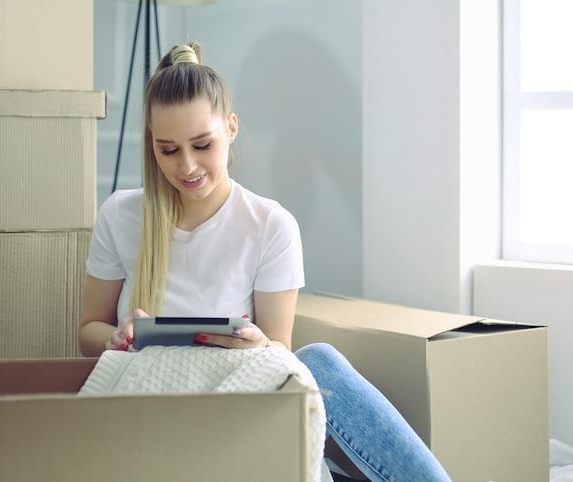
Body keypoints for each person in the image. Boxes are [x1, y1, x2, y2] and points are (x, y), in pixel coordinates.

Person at [79, 41, 451, 482]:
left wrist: (258, 344)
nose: (188, 166)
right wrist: (117, 337)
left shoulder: (270, 224)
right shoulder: (121, 215)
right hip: (153, 403)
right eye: (168, 150)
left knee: (318, 360)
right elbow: (87, 333)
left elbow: (280, 354)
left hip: (234, 402)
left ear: (231, 128)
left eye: (202, 144)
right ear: (152, 146)